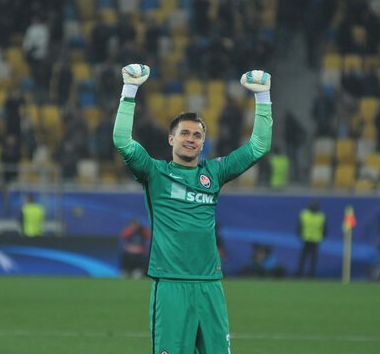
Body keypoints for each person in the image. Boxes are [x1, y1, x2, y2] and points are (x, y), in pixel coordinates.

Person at [113, 64, 273, 353]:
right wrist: (130, 90)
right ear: (171, 139)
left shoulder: (214, 173)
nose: (191, 139)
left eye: (197, 135)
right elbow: (122, 142)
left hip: (210, 286)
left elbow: (259, 145)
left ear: (203, 144)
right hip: (171, 285)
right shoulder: (154, 173)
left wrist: (263, 98)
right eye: (185, 133)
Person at [295, 199, 327, 278]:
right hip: (309, 238)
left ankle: (309, 274)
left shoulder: (306, 214)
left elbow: (324, 228)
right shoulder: (306, 214)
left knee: (310, 258)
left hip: (312, 239)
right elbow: (299, 226)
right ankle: (303, 273)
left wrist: (322, 236)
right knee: (306, 258)